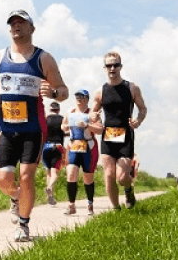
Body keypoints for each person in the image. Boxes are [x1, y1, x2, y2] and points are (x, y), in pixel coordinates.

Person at [0, 9, 68, 242]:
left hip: (33, 129)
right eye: (12, 23)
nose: (16, 26)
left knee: (26, 176)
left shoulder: (44, 58)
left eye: (22, 22)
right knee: (3, 180)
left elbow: (63, 90)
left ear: (32, 28)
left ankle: (23, 225)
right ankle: (16, 198)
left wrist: (52, 92)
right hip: (6, 129)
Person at [91, 51, 147, 210]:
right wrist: (93, 115)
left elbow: (143, 109)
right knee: (108, 175)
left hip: (125, 136)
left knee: (122, 177)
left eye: (116, 64)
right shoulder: (100, 91)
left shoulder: (131, 87)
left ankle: (128, 190)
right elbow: (92, 112)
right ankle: (116, 209)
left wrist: (138, 120)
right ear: (105, 68)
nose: (112, 68)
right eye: (109, 65)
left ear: (120, 66)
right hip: (108, 135)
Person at [61, 89, 102, 215]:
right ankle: (71, 205)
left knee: (87, 177)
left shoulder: (92, 114)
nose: (79, 99)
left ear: (87, 100)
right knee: (71, 174)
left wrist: (87, 126)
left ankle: (90, 203)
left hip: (88, 146)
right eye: (77, 96)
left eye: (82, 97)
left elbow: (100, 129)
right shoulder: (70, 112)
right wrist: (66, 127)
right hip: (73, 145)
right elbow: (63, 126)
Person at [42, 101, 66, 205]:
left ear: (50, 109)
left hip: (46, 147)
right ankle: (48, 187)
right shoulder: (62, 119)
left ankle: (50, 197)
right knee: (54, 173)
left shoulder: (46, 119)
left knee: (48, 172)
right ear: (58, 109)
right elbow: (66, 131)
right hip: (57, 147)